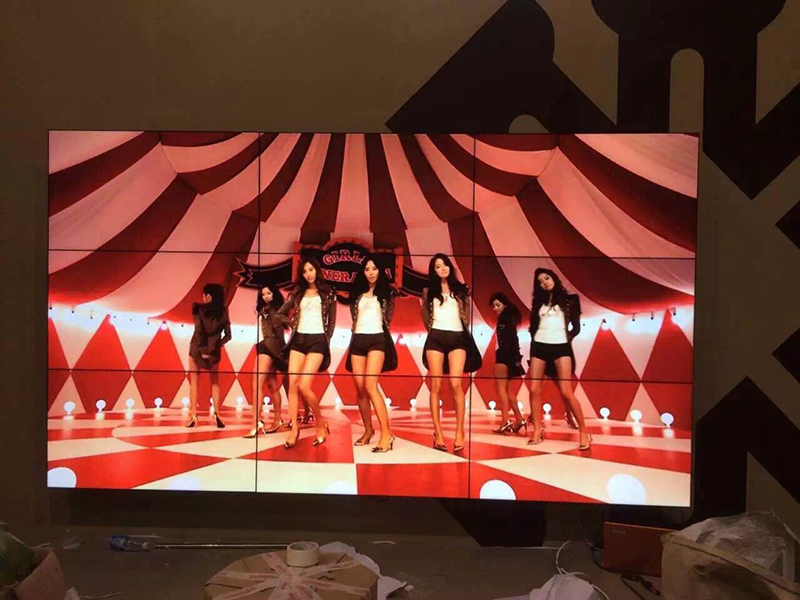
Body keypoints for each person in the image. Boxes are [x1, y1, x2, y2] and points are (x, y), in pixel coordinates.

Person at [421, 253, 482, 453]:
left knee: (456, 383)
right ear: (434, 271)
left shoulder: (461, 290)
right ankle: (437, 433)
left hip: (458, 337)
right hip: (436, 337)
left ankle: (459, 432)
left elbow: (467, 317)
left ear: (450, 267)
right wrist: (434, 331)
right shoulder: (428, 291)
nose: (442, 269)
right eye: (438, 266)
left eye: (445, 264)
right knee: (436, 385)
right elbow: (425, 316)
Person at [527, 268, 591, 450]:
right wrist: (535, 339)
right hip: (539, 346)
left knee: (565, 391)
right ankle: (537, 429)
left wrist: (565, 338)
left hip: (561, 346)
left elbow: (576, 327)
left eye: (547, 278)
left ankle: (584, 431)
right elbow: (533, 326)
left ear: (554, 278)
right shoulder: (538, 302)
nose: (544, 283)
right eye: (540, 282)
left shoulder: (571, 300)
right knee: (534, 389)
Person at [277, 256, 336, 449]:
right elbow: (279, 313)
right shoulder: (297, 292)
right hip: (298, 339)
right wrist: (292, 323)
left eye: (311, 270)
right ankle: (294, 429)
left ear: (317, 270)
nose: (308, 274)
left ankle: (320, 421)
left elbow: (331, 323)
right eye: (304, 271)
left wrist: (326, 340)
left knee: (304, 385)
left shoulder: (328, 293)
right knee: (293, 384)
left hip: (318, 340)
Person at [344, 255, 397, 452]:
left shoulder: (386, 293)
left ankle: (387, 434)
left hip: (377, 339)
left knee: (370, 386)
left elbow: (388, 318)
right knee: (360, 389)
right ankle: (368, 430)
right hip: (358, 340)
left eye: (374, 268)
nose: (371, 272)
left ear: (380, 270)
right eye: (367, 269)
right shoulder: (358, 294)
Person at [244, 284, 288, 438]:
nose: (266, 296)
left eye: (269, 293)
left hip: (269, 345)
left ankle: (255, 423)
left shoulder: (273, 310)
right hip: (273, 347)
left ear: (274, 294)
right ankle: (277, 421)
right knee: (272, 385)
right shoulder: (268, 309)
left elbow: (278, 330)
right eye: (263, 294)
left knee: (257, 384)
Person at [186, 283, 231, 429]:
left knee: (194, 381)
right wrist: (217, 344)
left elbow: (199, 330)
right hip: (214, 350)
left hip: (197, 347)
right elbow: (228, 336)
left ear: (208, 296)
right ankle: (217, 413)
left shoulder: (197, 308)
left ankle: (194, 415)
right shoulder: (223, 311)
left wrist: (202, 348)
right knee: (215, 381)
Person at [488, 293, 526, 434]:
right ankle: (519, 418)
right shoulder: (509, 319)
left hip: (503, 355)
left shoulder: (505, 320)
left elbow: (513, 338)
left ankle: (505, 420)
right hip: (509, 357)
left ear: (505, 304)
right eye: (493, 306)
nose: (495, 308)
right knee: (508, 391)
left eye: (498, 305)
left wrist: (513, 356)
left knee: (501, 390)